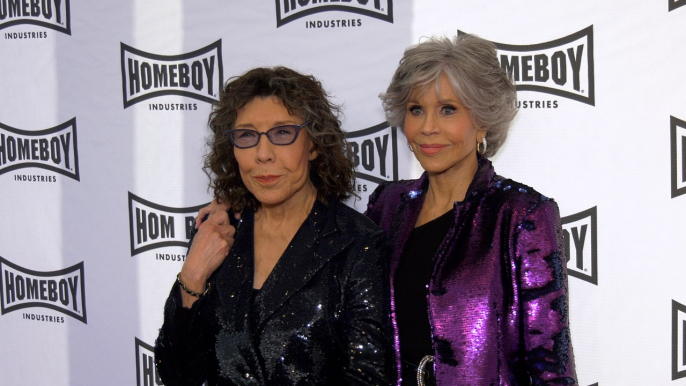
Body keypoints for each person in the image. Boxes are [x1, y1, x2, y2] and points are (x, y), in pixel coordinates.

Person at [197, 35, 577, 385]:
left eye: (448, 109)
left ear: (482, 121)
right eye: (416, 109)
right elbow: (311, 216)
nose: (428, 128)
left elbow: (551, 366)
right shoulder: (389, 203)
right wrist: (234, 202)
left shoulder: (521, 215)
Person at [154, 67, 395, 386]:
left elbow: (369, 378)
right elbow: (176, 375)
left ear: (314, 145)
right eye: (247, 136)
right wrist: (192, 277)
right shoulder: (217, 232)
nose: (263, 155)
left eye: (283, 133)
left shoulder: (358, 243)